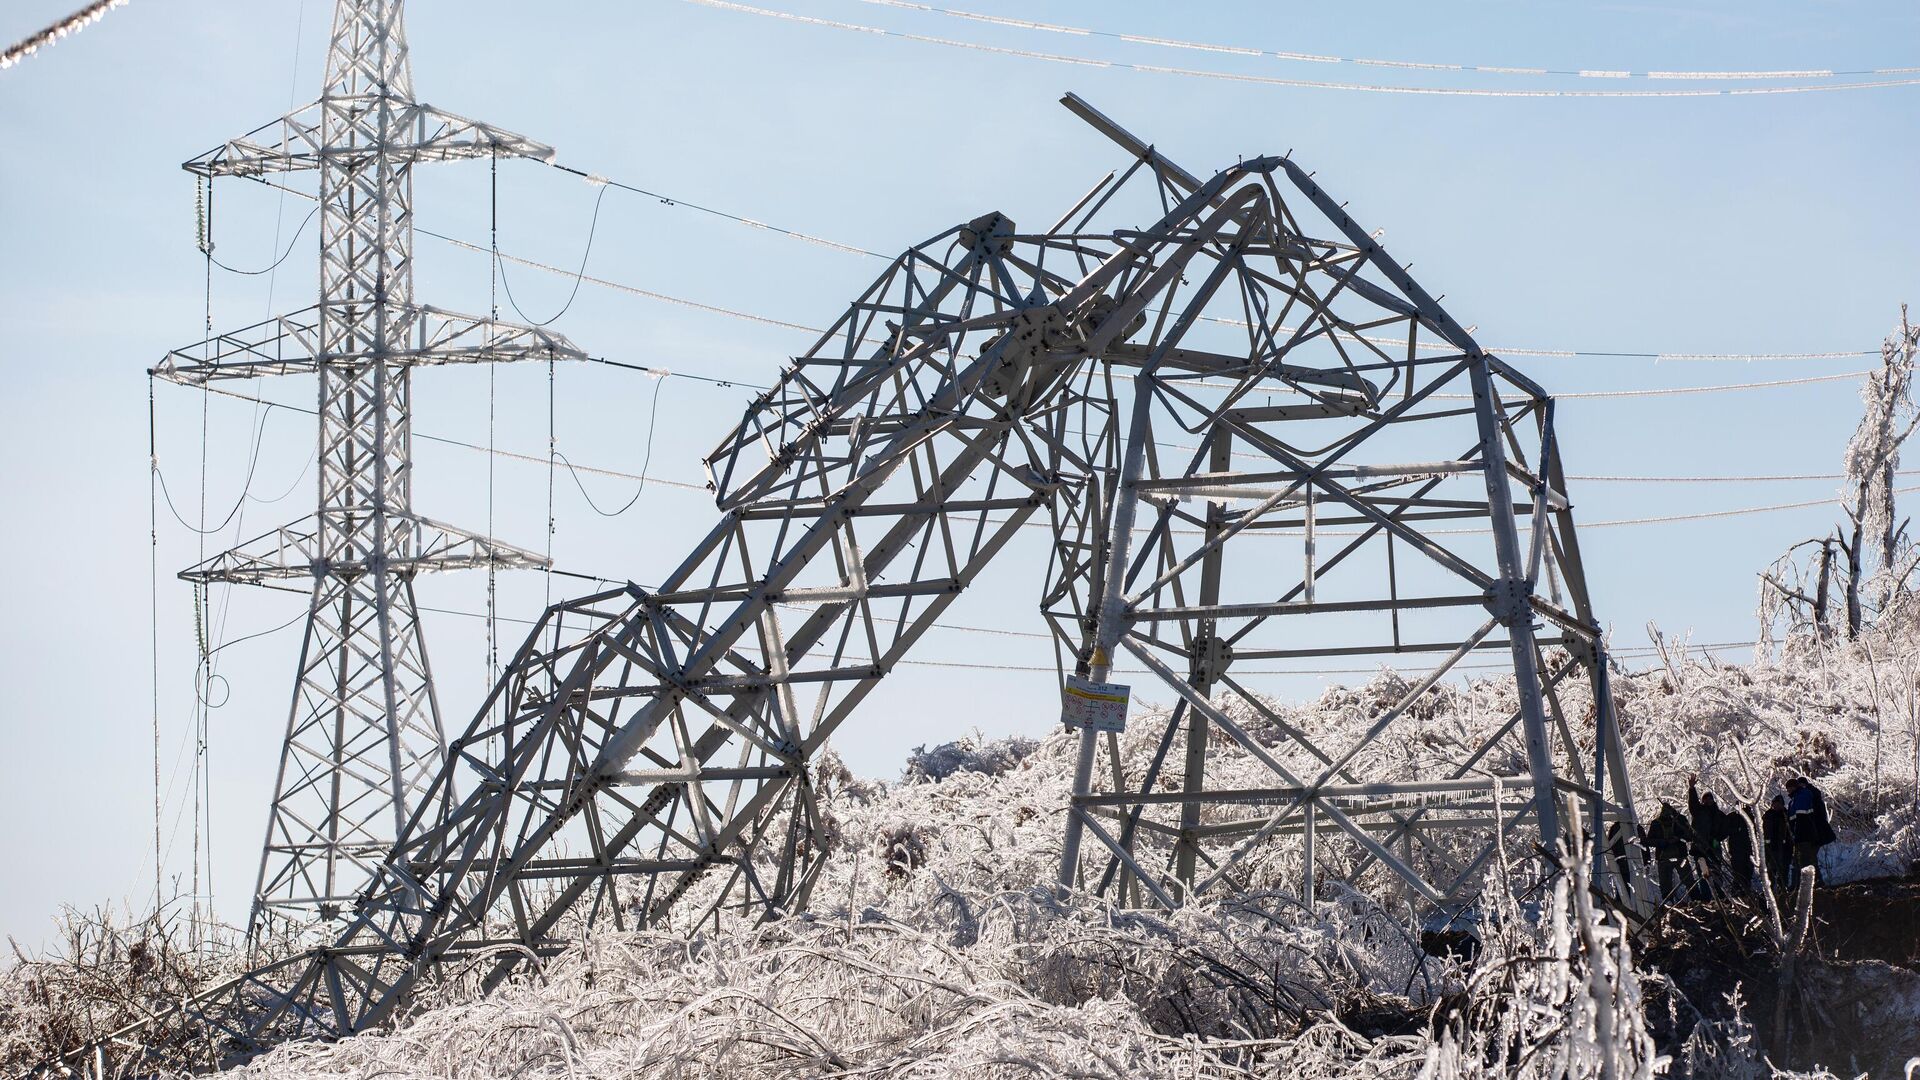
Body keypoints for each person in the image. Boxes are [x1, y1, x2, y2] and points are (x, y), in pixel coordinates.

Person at [1785, 775, 1837, 888]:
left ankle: (1813, 884)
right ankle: (1807, 884)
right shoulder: (1798, 798)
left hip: (1805, 835)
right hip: (1804, 835)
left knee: (1807, 860)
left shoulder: (1803, 796)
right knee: (1804, 860)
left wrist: (1799, 834)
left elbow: (1802, 817)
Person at [1687, 776, 1727, 897]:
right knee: (1703, 874)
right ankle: (1707, 898)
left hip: (1714, 848)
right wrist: (1692, 788)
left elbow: (1726, 829)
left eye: (1710, 799)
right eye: (1705, 799)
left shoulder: (1719, 814)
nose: (1708, 801)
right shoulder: (1698, 811)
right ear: (1702, 801)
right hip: (1699, 849)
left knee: (1716, 872)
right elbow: (1693, 803)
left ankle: (1720, 896)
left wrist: (1717, 838)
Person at [1646, 801, 1693, 901]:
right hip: (1664, 859)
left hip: (1679, 857)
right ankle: (1668, 906)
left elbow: (1690, 836)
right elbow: (1649, 841)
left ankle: (1697, 900)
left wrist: (1678, 838)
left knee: (1689, 882)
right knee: (1665, 886)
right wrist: (1663, 842)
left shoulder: (1679, 820)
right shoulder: (1656, 823)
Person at [1762, 794, 1793, 893]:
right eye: (1775, 804)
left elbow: (1790, 831)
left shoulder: (1786, 814)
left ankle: (1783, 889)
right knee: (1770, 870)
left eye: (1779, 804)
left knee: (1784, 869)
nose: (1776, 806)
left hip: (1784, 848)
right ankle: (1770, 891)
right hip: (1770, 847)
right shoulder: (1768, 815)